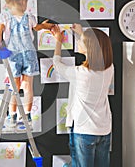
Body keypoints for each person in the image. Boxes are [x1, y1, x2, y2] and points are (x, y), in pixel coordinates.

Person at [51, 23, 114, 167]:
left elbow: (57, 64)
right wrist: (81, 33)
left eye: (81, 41)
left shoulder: (79, 73)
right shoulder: (109, 68)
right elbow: (96, 51)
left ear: (89, 48)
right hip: (104, 129)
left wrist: (58, 42)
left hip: (83, 130)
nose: (78, 42)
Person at [0, 0, 53, 127]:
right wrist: (44, 26)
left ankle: (13, 117)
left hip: (13, 55)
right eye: (26, 0)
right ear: (21, 0)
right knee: (28, 87)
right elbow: (37, 27)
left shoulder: (5, 16)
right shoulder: (29, 16)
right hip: (29, 54)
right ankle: (27, 116)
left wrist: (0, 47)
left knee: (14, 87)